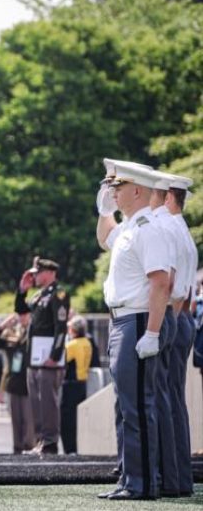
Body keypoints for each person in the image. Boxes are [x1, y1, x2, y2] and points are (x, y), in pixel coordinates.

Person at [94, 161, 172, 500]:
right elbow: (104, 238)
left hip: (137, 319)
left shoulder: (147, 229)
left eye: (118, 186)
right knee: (128, 407)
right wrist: (103, 210)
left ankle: (142, 484)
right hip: (122, 320)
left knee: (139, 406)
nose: (112, 191)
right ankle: (129, 478)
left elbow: (161, 282)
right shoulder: (129, 227)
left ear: (137, 190)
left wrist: (152, 332)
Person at [159, 172, 197, 497]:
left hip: (173, 314)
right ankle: (179, 477)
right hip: (183, 316)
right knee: (175, 400)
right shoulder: (182, 230)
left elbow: (168, 283)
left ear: (169, 197)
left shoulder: (168, 229)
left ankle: (170, 478)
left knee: (166, 399)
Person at [15, 257, 69, 455]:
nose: (35, 276)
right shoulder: (38, 296)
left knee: (48, 402)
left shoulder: (59, 294)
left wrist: (55, 355)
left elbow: (61, 327)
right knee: (36, 402)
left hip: (48, 359)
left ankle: (50, 442)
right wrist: (22, 291)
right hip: (35, 358)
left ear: (50, 272)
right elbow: (21, 311)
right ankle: (41, 441)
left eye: (38, 273)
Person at [0, 313, 35, 454]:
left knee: (29, 420)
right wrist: (3, 326)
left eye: (25, 315)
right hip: (13, 383)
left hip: (29, 383)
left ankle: (29, 446)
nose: (22, 318)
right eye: (20, 315)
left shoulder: (34, 332)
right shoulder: (11, 333)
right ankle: (17, 448)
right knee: (16, 419)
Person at [60, 315, 93, 455]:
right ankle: (76, 448)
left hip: (71, 384)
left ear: (73, 329)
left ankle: (69, 449)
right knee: (78, 419)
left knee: (67, 420)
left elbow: (61, 360)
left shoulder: (72, 345)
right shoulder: (87, 342)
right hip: (82, 383)